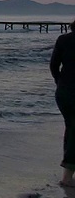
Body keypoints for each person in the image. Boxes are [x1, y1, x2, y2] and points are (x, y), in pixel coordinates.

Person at [51, 19, 75, 186]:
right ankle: (67, 176)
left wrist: (60, 82)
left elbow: (53, 65)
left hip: (64, 92)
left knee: (72, 127)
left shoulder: (63, 39)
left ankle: (68, 175)